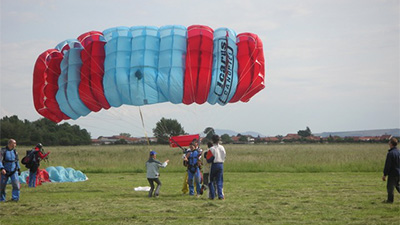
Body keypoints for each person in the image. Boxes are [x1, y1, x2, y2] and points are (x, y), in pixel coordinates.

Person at [382, 137, 400, 203]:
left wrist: (385, 174)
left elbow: (388, 165)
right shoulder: (399, 152)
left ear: (391, 144)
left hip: (393, 173)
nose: (388, 143)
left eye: (389, 142)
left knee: (390, 187)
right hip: (399, 172)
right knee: (397, 185)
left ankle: (390, 200)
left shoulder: (390, 153)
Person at [208, 135, 226, 200]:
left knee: (211, 180)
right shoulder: (222, 147)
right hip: (221, 164)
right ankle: (220, 195)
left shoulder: (211, 149)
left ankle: (212, 195)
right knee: (219, 181)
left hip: (214, 164)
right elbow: (224, 156)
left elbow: (208, 159)